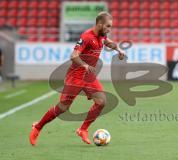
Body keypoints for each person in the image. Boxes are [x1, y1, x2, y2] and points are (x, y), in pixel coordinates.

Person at [29, 12, 125, 146]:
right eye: (108, 26)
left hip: (88, 76)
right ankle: (38, 127)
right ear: (100, 24)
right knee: (62, 108)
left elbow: (108, 42)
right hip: (75, 76)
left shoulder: (102, 35)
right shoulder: (86, 37)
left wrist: (119, 50)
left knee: (101, 101)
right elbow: (74, 55)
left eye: (111, 27)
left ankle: (83, 129)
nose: (110, 29)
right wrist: (84, 65)